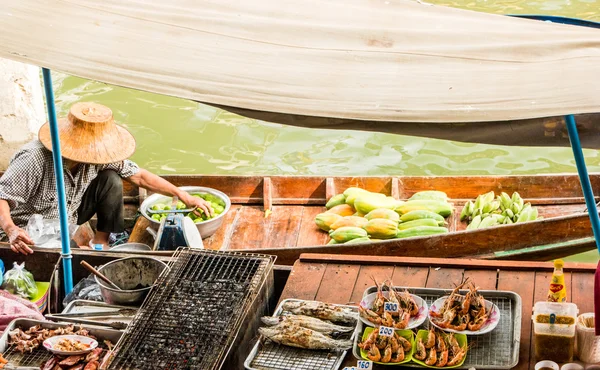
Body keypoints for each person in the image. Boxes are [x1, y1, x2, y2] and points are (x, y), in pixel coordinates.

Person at [0, 102, 213, 255]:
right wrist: (11, 230)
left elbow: (139, 176)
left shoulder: (98, 155)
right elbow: (1, 197)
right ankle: (82, 248)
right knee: (70, 255)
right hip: (31, 230)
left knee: (111, 179)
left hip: (69, 214)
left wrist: (182, 194)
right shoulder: (34, 159)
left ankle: (100, 243)